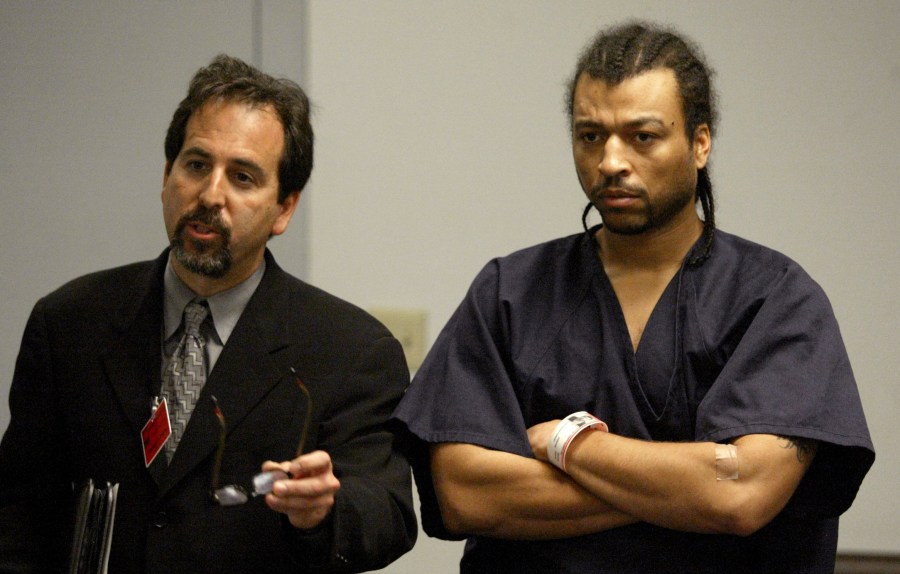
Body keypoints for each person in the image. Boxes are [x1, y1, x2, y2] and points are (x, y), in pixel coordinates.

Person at [393, 21, 874, 573]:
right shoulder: (511, 292)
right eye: (590, 135)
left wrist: (568, 444)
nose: (611, 162)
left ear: (700, 142)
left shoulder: (776, 298)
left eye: (643, 136)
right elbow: (464, 495)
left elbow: (741, 496)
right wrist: (681, 493)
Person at [0, 54, 416, 573]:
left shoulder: (351, 349)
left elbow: (390, 515)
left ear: (284, 208)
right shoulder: (69, 322)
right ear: (167, 174)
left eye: (242, 177)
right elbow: (18, 515)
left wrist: (325, 509)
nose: (210, 195)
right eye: (196, 165)